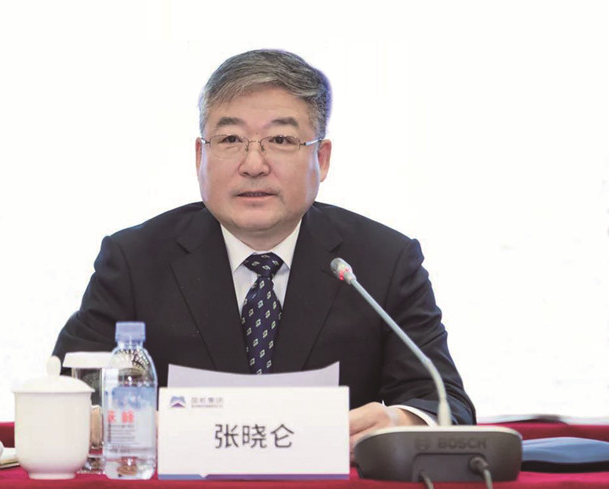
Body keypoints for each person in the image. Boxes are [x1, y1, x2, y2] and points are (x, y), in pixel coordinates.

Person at [52, 49, 475, 458]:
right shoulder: (134, 261)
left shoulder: (382, 262)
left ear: (321, 158)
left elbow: (445, 402)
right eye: (231, 139)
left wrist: (401, 421)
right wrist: (123, 421)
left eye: (280, 139)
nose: (254, 164)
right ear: (200, 156)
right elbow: (62, 397)